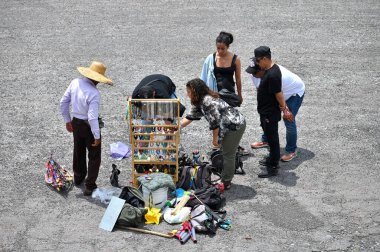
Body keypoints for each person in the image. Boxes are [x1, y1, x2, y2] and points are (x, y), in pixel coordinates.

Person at [180, 78, 246, 189]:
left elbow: (215, 124)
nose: (187, 95)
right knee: (226, 150)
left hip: (235, 125)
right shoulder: (200, 101)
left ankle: (226, 182)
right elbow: (190, 117)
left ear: (195, 92)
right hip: (228, 124)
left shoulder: (207, 102)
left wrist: (215, 140)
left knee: (228, 154)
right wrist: (176, 127)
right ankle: (226, 176)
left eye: (189, 92)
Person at [60, 61, 112, 195]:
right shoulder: (94, 93)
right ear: (97, 79)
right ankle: (89, 185)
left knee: (78, 150)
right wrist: (97, 136)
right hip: (88, 126)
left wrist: (67, 120)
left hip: (76, 122)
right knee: (94, 156)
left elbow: (63, 102)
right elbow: (92, 117)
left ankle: (78, 177)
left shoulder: (75, 82)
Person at [246, 57, 305, 162]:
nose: (253, 74)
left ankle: (292, 150)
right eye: (252, 72)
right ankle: (266, 140)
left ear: (262, 68)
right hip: (279, 93)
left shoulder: (275, 75)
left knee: (289, 119)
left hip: (293, 93)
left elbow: (279, 94)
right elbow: (260, 90)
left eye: (255, 72)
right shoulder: (254, 74)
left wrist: (285, 110)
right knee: (267, 116)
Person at [200, 31, 247, 154]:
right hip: (214, 93)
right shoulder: (211, 58)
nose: (220, 51)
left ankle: (230, 144)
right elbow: (203, 78)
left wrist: (240, 95)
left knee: (230, 120)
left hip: (229, 93)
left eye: (223, 49)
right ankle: (216, 143)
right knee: (216, 119)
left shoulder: (235, 59)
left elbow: (238, 79)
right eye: (218, 48)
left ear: (228, 47)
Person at [252, 46, 294, 178]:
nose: (257, 64)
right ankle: (271, 159)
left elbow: (278, 93)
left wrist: (285, 110)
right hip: (266, 112)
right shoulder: (269, 70)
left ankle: (273, 167)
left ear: (265, 59)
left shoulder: (273, 74)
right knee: (270, 137)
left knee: (272, 139)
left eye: (258, 61)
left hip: (270, 113)